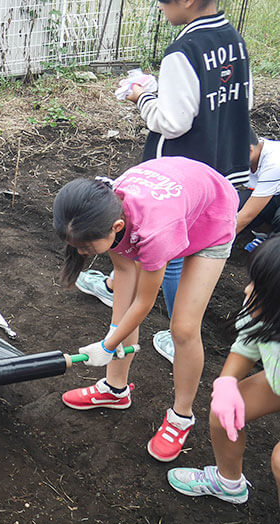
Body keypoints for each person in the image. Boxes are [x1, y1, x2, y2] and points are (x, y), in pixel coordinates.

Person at [75, 0, 252, 363]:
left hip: (182, 172)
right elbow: (240, 101)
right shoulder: (231, 37)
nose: (159, 6)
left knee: (169, 253)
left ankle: (177, 334)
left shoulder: (183, 50)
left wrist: (144, 96)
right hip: (221, 164)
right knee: (172, 251)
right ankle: (150, 316)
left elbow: (173, 121)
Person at [54, 157, 238, 463]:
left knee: (183, 328)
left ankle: (181, 417)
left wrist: (106, 346)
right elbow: (126, 277)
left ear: (116, 228)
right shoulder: (106, 205)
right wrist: (114, 334)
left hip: (210, 217)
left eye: (86, 247)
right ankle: (115, 390)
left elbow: (145, 302)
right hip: (177, 198)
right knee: (120, 310)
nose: (80, 253)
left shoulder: (153, 232)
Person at [166, 236, 280, 524]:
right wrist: (227, 383)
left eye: (260, 288)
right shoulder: (266, 312)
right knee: (222, 410)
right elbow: (247, 344)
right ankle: (228, 482)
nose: (247, 289)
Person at [236, 129, 280, 247]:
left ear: (250, 151)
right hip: (274, 193)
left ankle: (273, 243)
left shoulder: (274, 163)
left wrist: (213, 245)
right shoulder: (249, 153)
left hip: (275, 193)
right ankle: (266, 232)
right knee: (234, 206)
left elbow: (247, 215)